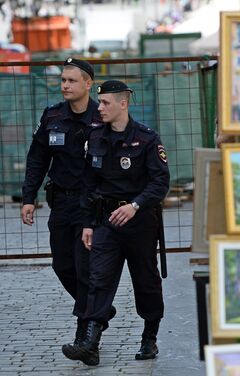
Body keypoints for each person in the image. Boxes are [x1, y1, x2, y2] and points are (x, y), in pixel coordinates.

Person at [62, 80, 170, 366]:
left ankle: (149, 337)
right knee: (98, 279)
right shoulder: (96, 137)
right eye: (101, 103)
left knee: (145, 281)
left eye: (107, 103)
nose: (101, 109)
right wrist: (87, 223)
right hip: (105, 221)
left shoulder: (147, 138)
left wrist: (135, 206)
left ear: (124, 103)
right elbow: (88, 183)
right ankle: (90, 343)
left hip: (140, 222)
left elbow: (160, 182)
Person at [21, 57, 115, 355]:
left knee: (86, 269)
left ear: (88, 84)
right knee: (63, 265)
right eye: (63, 80)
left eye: (72, 80)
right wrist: (28, 197)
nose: (65, 85)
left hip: (92, 206)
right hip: (61, 203)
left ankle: (86, 339)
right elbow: (38, 158)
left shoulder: (103, 118)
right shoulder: (52, 117)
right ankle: (98, 309)